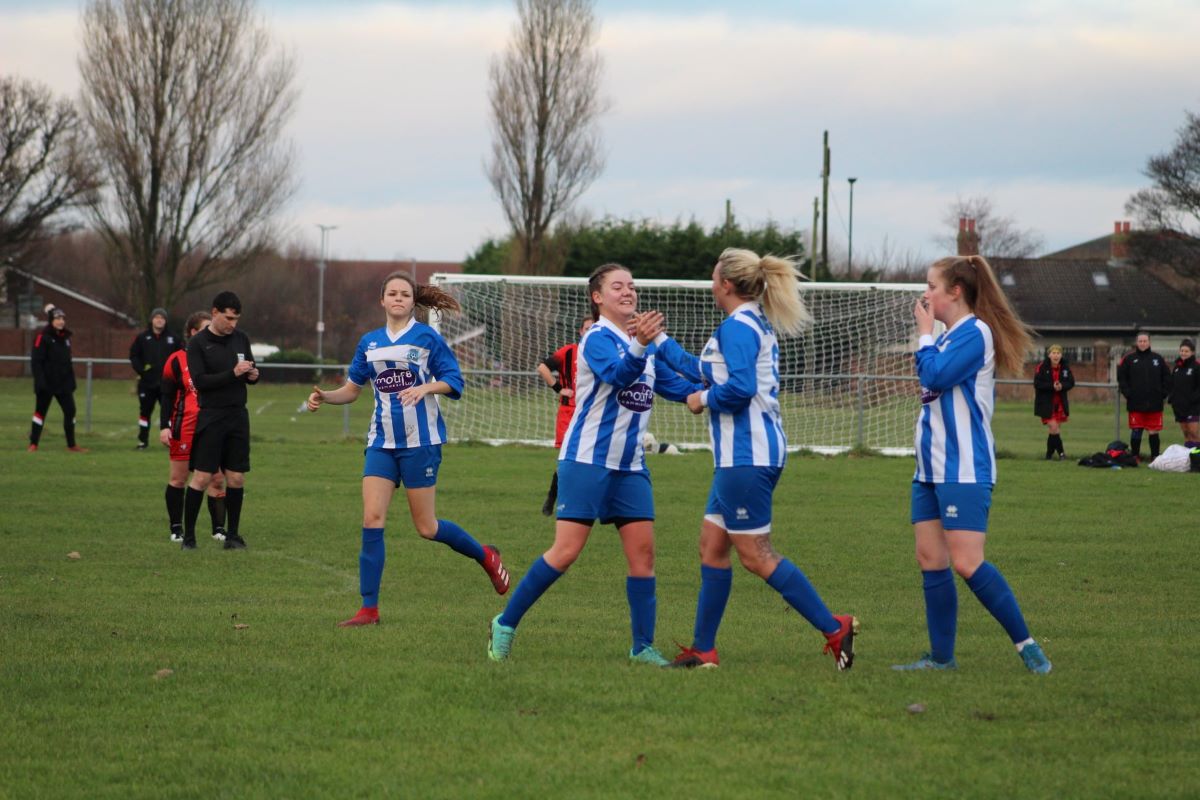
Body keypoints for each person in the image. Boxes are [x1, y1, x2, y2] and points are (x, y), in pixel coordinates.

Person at [650, 248, 858, 671]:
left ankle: (834, 626)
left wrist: (700, 400)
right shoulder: (743, 323)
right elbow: (703, 369)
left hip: (748, 456)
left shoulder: (738, 328)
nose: (711, 283)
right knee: (712, 548)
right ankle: (704, 651)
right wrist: (656, 344)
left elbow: (738, 388)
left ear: (726, 283)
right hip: (741, 455)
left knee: (756, 556)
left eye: (713, 277)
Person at [487, 263, 700, 667]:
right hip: (586, 461)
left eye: (632, 286)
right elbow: (620, 376)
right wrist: (642, 344)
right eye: (617, 286)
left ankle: (641, 647)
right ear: (597, 297)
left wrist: (715, 390)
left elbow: (678, 387)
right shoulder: (596, 339)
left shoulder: (646, 345)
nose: (628, 292)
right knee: (565, 552)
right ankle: (505, 622)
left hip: (630, 466)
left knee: (644, 557)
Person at [307, 272, 511, 627]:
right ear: (382, 300)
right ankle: (368, 610)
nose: (398, 298)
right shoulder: (369, 342)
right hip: (381, 443)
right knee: (372, 519)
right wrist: (325, 397)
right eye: (392, 293)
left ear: (412, 302)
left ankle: (485, 555)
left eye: (405, 294)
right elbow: (352, 389)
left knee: (427, 528)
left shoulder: (427, 337)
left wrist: (426, 388)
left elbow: (454, 381)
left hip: (421, 443)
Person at [895, 253, 1052, 674]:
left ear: (956, 291)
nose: (925, 295)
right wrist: (930, 337)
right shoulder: (946, 337)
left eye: (931, 286)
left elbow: (935, 377)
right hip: (929, 469)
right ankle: (941, 658)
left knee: (966, 561)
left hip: (963, 469)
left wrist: (924, 334)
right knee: (931, 560)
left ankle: (1028, 647)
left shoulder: (974, 333)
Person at [180, 291, 257, 551]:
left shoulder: (241, 338)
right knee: (202, 478)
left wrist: (253, 375)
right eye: (228, 318)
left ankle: (232, 536)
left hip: (237, 415)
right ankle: (189, 538)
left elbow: (248, 370)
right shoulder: (198, 343)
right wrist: (232, 374)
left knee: (236, 478)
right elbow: (200, 381)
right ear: (214, 313)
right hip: (211, 416)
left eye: (236, 319)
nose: (232, 324)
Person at [160, 311, 227, 544]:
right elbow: (167, 396)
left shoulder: (217, 358)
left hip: (212, 426)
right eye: (207, 327)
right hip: (184, 427)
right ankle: (176, 528)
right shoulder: (176, 359)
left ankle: (219, 529)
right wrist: (163, 426)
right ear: (193, 332)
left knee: (217, 478)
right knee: (179, 479)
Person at [535, 316, 594, 515]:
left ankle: (587, 500)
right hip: (569, 413)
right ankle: (553, 496)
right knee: (567, 459)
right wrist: (559, 388)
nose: (589, 331)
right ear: (580, 331)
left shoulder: (603, 352)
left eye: (593, 328)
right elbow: (542, 367)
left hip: (594, 414)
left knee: (592, 459)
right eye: (586, 328)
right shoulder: (569, 352)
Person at [28, 306, 87, 453]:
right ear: (51, 321)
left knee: (70, 411)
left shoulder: (65, 338)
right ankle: (33, 444)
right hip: (47, 384)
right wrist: (40, 381)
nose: (61, 321)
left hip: (63, 384)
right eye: (57, 319)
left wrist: (71, 381)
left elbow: (67, 362)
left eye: (62, 318)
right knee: (40, 413)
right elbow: (36, 362)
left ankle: (71, 445)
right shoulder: (42, 337)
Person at [130, 307, 182, 450]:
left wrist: (176, 375)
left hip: (168, 384)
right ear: (152, 320)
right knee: (145, 412)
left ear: (165, 321)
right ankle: (142, 442)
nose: (159, 320)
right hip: (147, 383)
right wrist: (142, 371)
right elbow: (134, 356)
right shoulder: (142, 338)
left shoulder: (174, 338)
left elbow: (181, 358)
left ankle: (172, 442)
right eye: (157, 317)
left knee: (170, 413)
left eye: (162, 318)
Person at [1116, 332, 1172, 463]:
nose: (1142, 343)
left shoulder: (1158, 359)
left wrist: (1163, 393)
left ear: (1149, 342)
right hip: (1135, 402)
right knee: (1136, 430)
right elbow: (1122, 377)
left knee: (1153, 431)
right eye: (1140, 341)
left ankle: (1155, 457)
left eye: (1145, 341)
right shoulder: (1129, 359)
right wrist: (1127, 393)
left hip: (1154, 402)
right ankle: (1135, 456)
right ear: (1137, 343)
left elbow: (1167, 377)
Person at [1032, 344, 1075, 460]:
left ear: (1061, 355)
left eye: (1058, 353)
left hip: (1060, 403)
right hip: (1046, 403)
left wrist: (1062, 386)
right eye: (1054, 353)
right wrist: (1052, 386)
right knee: (1054, 427)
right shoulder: (1042, 367)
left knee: (1053, 431)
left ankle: (1049, 455)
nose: (1056, 356)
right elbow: (1037, 384)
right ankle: (1062, 454)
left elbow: (1071, 382)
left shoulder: (1065, 367)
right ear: (1049, 355)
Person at [1170, 338, 1200, 447]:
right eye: (1182, 350)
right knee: (1186, 433)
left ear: (1192, 352)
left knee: (1193, 433)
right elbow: (1173, 385)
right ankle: (1189, 458)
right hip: (1179, 406)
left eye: (1186, 351)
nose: (1183, 353)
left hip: (1192, 407)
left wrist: (1193, 399)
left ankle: (1197, 458)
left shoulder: (1196, 366)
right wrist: (1172, 399)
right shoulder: (1177, 367)